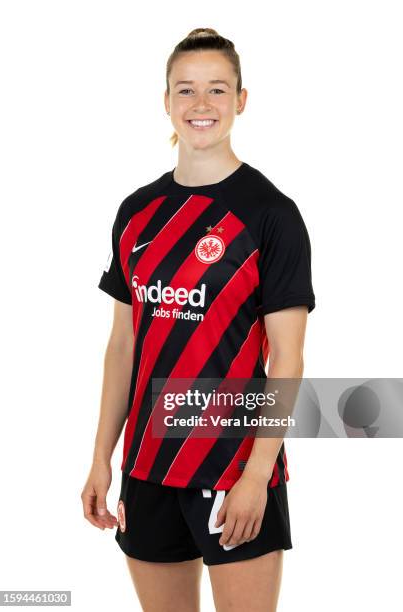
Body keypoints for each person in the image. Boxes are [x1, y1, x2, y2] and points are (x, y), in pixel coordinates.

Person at [81, 27, 316, 612]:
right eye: (185, 91)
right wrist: (100, 460)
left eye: (217, 89)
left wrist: (258, 473)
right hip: (149, 467)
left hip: (234, 464)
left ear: (241, 100)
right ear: (166, 101)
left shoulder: (272, 216)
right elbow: (123, 347)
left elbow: (287, 358)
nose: (201, 105)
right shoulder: (137, 214)